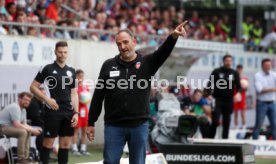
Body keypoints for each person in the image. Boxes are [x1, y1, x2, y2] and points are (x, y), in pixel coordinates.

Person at [87, 21, 188, 164]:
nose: (122, 47)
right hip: (113, 125)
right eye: (119, 44)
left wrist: (173, 37)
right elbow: (98, 95)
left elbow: (163, 52)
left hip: (139, 125)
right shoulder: (108, 65)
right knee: (109, 162)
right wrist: (91, 122)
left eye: (125, 42)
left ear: (134, 42)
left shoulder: (147, 62)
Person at [30, 41, 79, 164]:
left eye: (65, 52)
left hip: (68, 112)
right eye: (60, 52)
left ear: (68, 53)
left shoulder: (72, 71)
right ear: (55, 52)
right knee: (48, 143)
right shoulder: (47, 68)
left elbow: (74, 93)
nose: (62, 55)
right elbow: (33, 87)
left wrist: (76, 112)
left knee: (65, 144)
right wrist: (46, 99)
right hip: (52, 111)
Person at [205, 54, 242, 139]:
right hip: (217, 99)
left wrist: (238, 93)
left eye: (230, 61)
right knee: (215, 121)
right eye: (227, 61)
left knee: (226, 122)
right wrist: (209, 94)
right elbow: (209, 84)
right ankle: (210, 139)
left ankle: (225, 140)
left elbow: (239, 87)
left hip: (229, 100)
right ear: (223, 61)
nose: (228, 62)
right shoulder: (217, 71)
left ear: (232, 62)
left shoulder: (234, 73)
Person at [0, 92, 42, 164]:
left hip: (9, 127)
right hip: (2, 128)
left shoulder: (23, 110)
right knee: (23, 132)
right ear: (19, 99)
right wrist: (33, 130)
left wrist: (35, 129)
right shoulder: (15, 107)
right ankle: (21, 159)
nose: (27, 102)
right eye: (25, 100)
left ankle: (26, 158)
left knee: (28, 131)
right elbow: (17, 125)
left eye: (29, 101)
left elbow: (24, 124)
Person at [253, 58, 276, 140]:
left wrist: (267, 89)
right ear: (262, 66)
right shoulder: (257, 75)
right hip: (261, 103)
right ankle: (254, 144)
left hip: (272, 103)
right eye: (266, 65)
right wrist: (273, 89)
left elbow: (264, 89)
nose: (268, 67)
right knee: (258, 125)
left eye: (269, 65)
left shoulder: (274, 74)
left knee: (274, 125)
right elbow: (260, 90)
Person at [71, 69, 91, 156]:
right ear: (76, 77)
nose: (81, 78)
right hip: (77, 111)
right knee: (75, 130)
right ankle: (74, 149)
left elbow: (87, 100)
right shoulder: (73, 87)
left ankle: (83, 149)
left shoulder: (86, 86)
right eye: (79, 76)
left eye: (82, 77)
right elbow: (72, 99)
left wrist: (86, 100)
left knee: (84, 130)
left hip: (85, 111)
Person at [233, 65, 248, 129]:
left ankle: (244, 127)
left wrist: (244, 86)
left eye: (240, 69)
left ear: (242, 70)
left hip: (242, 97)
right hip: (235, 97)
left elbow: (246, 88)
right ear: (236, 70)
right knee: (236, 113)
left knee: (243, 113)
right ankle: (236, 127)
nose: (239, 70)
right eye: (238, 69)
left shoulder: (245, 79)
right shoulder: (233, 78)